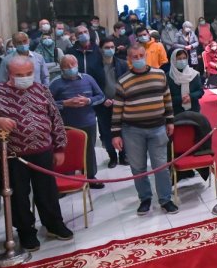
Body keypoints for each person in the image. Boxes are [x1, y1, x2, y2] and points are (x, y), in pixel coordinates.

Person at [0, 55, 73, 251]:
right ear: (9, 74)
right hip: (13, 155)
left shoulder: (41, 90)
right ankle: (26, 232)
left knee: (47, 191)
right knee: (18, 196)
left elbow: (56, 119)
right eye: (19, 75)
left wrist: (59, 148)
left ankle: (54, 224)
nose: (25, 78)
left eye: (29, 73)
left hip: (43, 151)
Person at [112, 43, 178, 215]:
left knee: (161, 166)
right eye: (135, 57)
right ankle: (145, 198)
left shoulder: (159, 74)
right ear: (129, 59)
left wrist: (170, 121)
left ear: (146, 56)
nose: (139, 59)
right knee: (138, 167)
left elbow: (167, 99)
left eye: (141, 56)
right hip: (132, 130)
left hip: (158, 127)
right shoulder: (123, 81)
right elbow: (117, 109)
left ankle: (165, 199)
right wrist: (116, 134)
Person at [49, 55, 106, 185]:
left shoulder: (88, 79)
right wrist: (65, 103)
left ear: (77, 64)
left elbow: (101, 96)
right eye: (66, 66)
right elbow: (47, 104)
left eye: (72, 64)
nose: (70, 68)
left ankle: (91, 177)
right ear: (61, 67)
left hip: (88, 122)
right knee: (68, 150)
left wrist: (88, 100)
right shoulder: (55, 83)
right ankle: (67, 180)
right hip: (66, 124)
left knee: (89, 150)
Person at [98, 37, 127, 167]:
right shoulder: (95, 67)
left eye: (112, 47)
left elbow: (127, 84)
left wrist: (119, 98)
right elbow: (94, 86)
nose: (110, 50)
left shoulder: (122, 64)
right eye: (106, 47)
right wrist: (103, 99)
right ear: (101, 49)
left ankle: (123, 155)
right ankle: (112, 157)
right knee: (106, 132)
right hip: (103, 105)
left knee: (123, 130)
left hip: (120, 103)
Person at [165, 47, 204, 115]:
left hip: (194, 110)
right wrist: (181, 99)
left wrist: (190, 96)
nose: (182, 61)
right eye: (179, 59)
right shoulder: (168, 77)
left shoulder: (193, 74)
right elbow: (166, 97)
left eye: (184, 58)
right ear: (173, 60)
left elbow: (200, 91)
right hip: (176, 112)